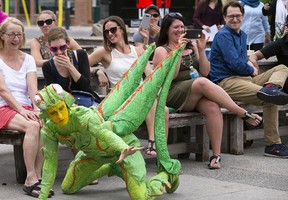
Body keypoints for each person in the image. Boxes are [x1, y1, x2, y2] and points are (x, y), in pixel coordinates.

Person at [22, 44, 182, 200]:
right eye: (53, 113)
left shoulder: (83, 117)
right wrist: (42, 197)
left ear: (67, 104)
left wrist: (123, 148)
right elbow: (50, 161)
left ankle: (167, 175)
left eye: (61, 109)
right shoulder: (50, 130)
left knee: (141, 197)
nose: (60, 116)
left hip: (125, 149)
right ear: (47, 115)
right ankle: (112, 167)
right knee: (68, 187)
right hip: (93, 155)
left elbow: (104, 133)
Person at [152, 12, 262, 169]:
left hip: (193, 92)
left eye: (182, 26)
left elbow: (205, 71)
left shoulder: (191, 46)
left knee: (212, 107)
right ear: (166, 30)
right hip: (171, 93)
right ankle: (241, 112)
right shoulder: (161, 51)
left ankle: (216, 156)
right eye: (175, 27)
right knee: (201, 82)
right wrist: (177, 51)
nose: (180, 30)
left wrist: (202, 50)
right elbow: (171, 77)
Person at [209, 1, 288, 158]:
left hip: (244, 79)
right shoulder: (223, 35)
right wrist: (251, 68)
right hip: (227, 82)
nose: (235, 18)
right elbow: (234, 63)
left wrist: (249, 65)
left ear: (243, 16)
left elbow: (242, 59)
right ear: (224, 18)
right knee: (269, 98)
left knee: (283, 68)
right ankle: (273, 145)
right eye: (231, 16)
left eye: (238, 15)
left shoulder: (242, 34)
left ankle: (272, 86)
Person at [89, 16, 169, 156]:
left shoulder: (138, 51)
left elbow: (151, 77)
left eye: (113, 30)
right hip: (121, 100)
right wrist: (97, 70)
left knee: (164, 110)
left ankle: (162, 154)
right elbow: (81, 66)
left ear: (122, 29)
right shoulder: (105, 52)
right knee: (150, 100)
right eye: (106, 32)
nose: (110, 34)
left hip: (139, 97)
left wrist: (145, 41)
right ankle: (153, 142)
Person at [0, 17, 52, 198]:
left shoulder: (28, 59)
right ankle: (29, 178)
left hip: (24, 107)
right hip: (3, 107)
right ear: (2, 36)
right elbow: (3, 91)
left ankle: (37, 176)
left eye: (19, 34)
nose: (15, 39)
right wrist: (23, 111)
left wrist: (36, 109)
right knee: (31, 126)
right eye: (11, 34)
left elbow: (32, 89)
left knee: (43, 124)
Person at [42, 26, 101, 106]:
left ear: (68, 44)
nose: (59, 52)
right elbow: (53, 94)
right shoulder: (47, 66)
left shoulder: (80, 55)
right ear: (49, 48)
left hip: (86, 101)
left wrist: (70, 66)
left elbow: (86, 86)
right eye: (54, 49)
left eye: (62, 47)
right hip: (65, 105)